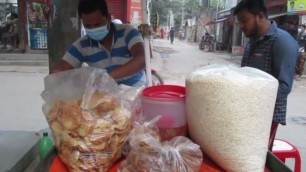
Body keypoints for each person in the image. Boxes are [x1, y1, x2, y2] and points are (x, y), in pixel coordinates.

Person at [234, 0, 299, 151]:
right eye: (240, 22)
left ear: (260, 16)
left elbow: (284, 86)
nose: (241, 26)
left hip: (267, 115)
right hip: (247, 110)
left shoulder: (282, 42)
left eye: (244, 21)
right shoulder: (252, 41)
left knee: (256, 155)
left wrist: (255, 102)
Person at [51, 0, 146, 87]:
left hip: (136, 92)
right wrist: (57, 75)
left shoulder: (128, 32)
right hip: (107, 98)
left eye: (97, 24)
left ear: (108, 18)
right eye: (88, 26)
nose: (93, 29)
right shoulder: (82, 45)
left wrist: (108, 77)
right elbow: (61, 68)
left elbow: (142, 59)